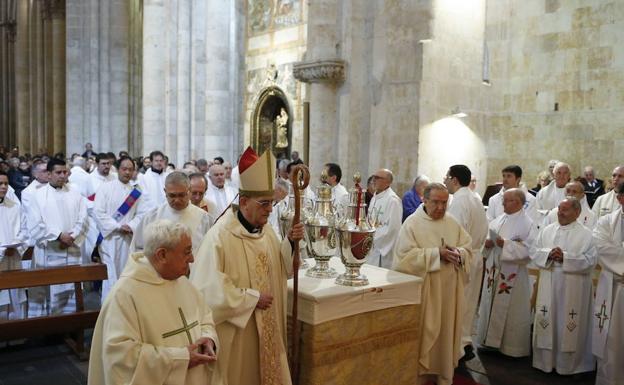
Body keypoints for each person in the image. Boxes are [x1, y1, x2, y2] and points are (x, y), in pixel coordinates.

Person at [190, 147, 305, 385]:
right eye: (264, 204)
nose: (270, 210)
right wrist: (251, 299)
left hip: (269, 330)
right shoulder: (219, 237)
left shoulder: (267, 231)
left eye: (271, 203)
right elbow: (207, 291)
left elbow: (280, 268)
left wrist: (291, 243)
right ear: (243, 201)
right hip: (240, 335)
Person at [88, 220, 221, 385]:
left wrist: (208, 338)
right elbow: (122, 357)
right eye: (186, 252)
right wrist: (180, 359)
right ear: (162, 255)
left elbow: (205, 317)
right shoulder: (125, 295)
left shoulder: (182, 282)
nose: (192, 258)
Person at [393, 183, 472, 385]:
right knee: (426, 334)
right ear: (424, 200)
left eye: (444, 202)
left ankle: (444, 376)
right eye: (435, 202)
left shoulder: (452, 222)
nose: (440, 207)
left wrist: (459, 254)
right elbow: (403, 259)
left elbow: (468, 248)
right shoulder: (412, 224)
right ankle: (421, 376)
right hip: (427, 292)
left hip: (449, 291)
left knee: (446, 333)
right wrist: (437, 254)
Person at [531, 197, 597, 375]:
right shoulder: (547, 230)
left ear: (577, 212)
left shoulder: (587, 234)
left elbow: (591, 261)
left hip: (573, 287)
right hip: (548, 282)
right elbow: (534, 251)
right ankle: (545, 362)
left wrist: (565, 257)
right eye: (559, 209)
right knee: (548, 320)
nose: (560, 212)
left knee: (569, 324)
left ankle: (571, 366)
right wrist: (548, 254)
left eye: (566, 209)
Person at [477, 188, 534, 357]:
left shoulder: (528, 223)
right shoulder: (498, 220)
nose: (502, 203)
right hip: (493, 271)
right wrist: (486, 245)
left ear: (518, 202)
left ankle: (511, 348)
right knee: (489, 305)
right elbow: (487, 241)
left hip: (513, 275)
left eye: (507, 200)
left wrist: (506, 244)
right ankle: (488, 342)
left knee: (513, 311)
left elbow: (531, 251)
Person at [27, 158, 88, 316]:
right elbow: (35, 224)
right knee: (49, 290)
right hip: (50, 250)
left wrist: (72, 235)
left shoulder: (75, 194)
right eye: (58, 172)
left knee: (71, 290)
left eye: (65, 172)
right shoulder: (38, 196)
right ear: (49, 174)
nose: (62, 175)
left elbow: (83, 218)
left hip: (71, 249)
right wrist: (59, 235)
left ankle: (69, 326)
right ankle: (48, 327)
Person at [94, 156, 152, 303]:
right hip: (109, 239)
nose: (127, 172)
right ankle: (109, 311)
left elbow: (142, 214)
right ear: (118, 169)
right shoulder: (105, 188)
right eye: (124, 169)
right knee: (111, 277)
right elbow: (98, 212)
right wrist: (118, 226)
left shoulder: (136, 192)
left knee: (127, 276)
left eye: (130, 169)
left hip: (128, 240)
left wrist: (131, 226)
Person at [444, 165, 488, 357]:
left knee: (459, 302)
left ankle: (457, 348)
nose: (445, 180)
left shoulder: (460, 200)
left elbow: (454, 233)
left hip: (462, 256)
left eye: (447, 177)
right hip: (475, 254)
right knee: (469, 303)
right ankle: (465, 341)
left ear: (454, 180)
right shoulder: (474, 197)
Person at [133, 172, 212, 254]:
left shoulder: (204, 219)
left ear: (189, 191)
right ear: (165, 191)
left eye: (181, 195)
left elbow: (209, 251)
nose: (177, 200)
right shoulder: (152, 217)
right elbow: (139, 249)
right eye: (172, 195)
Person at [592, 181, 624, 385]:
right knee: (612, 337)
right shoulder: (605, 222)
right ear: (620, 198)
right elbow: (601, 248)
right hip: (614, 286)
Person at [0, 171, 28, 320]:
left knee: (16, 296)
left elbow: (25, 230)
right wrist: (3, 250)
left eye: (6, 184)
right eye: (0, 184)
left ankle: (17, 335)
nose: (3, 187)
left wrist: (15, 246)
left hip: (14, 258)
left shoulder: (14, 206)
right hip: (1, 259)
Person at [367, 168, 402, 268]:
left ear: (388, 182)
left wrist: (370, 238)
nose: (373, 180)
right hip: (370, 247)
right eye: (373, 177)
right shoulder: (375, 197)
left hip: (382, 253)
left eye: (377, 178)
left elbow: (392, 229)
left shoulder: (393, 201)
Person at [535, 162, 571, 226]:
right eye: (559, 173)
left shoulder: (575, 191)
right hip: (548, 227)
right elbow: (537, 212)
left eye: (565, 173)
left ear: (569, 175)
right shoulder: (543, 193)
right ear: (554, 175)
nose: (562, 176)